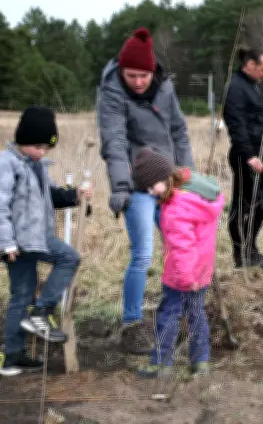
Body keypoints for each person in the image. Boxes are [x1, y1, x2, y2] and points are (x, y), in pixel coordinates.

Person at [97, 27, 196, 355]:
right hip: (136, 185)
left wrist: (187, 174)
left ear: (153, 71)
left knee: (179, 249)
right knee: (143, 253)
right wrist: (121, 186)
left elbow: (179, 130)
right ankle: (132, 325)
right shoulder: (112, 92)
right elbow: (115, 140)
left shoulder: (164, 86)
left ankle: (177, 317)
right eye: (131, 75)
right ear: (121, 71)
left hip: (168, 181)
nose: (137, 81)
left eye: (143, 75)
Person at [0, 107, 93, 376]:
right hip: (18, 243)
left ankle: (14, 356)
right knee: (69, 257)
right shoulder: (7, 164)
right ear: (23, 139)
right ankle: (41, 313)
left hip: (32, 239)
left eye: (46, 148)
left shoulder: (37, 167)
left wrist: (75, 195)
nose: (42, 152)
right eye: (37, 146)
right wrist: (6, 243)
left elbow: (50, 196)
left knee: (21, 294)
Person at [130, 147, 224, 379]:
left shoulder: (174, 208)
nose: (151, 193)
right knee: (196, 313)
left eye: (152, 187)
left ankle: (162, 364)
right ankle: (200, 362)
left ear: (163, 178)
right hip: (202, 270)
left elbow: (182, 248)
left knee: (169, 314)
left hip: (182, 274)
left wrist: (185, 279)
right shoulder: (199, 195)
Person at [222, 48, 263, 269]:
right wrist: (249, 155)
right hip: (247, 156)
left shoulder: (250, 85)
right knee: (243, 206)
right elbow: (236, 123)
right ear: (250, 64)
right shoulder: (235, 87)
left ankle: (251, 249)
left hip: (258, 154)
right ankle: (240, 255)